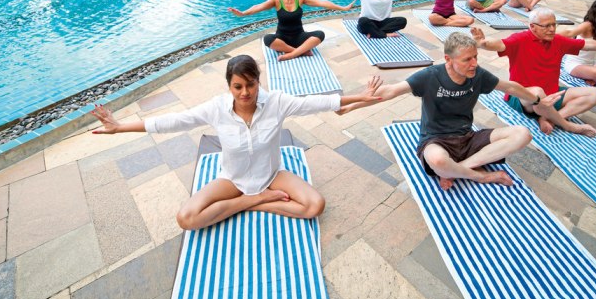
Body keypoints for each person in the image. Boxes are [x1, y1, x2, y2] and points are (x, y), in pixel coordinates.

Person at [91, 55, 380, 230]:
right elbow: (174, 121)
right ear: (229, 85)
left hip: (271, 176)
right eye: (237, 86)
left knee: (315, 205)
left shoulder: (277, 102)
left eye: (250, 85)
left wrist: (361, 96)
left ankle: (249, 204)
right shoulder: (216, 108)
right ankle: (252, 201)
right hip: (233, 179)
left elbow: (318, 102)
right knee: (186, 218)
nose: (245, 93)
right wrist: (120, 127)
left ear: (258, 82)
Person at [339, 32, 557, 190]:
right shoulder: (430, 76)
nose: (474, 63)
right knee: (438, 161)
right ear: (448, 60)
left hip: (467, 137)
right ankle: (479, 176)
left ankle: (459, 169)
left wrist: (539, 99)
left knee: (523, 134)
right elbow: (390, 91)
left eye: (475, 57)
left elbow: (510, 87)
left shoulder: (478, 75)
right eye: (467, 59)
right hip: (436, 140)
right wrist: (350, 105)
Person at [470, 7, 596, 137]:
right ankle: (568, 125)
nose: (552, 29)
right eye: (547, 26)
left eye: (554, 24)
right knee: (537, 92)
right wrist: (483, 43)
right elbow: (499, 44)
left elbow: (588, 44)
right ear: (532, 27)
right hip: (523, 97)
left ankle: (549, 118)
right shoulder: (520, 39)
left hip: (552, 94)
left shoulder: (558, 40)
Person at [229, 0, 355, 61]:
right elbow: (258, 6)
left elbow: (323, 2)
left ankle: (291, 54)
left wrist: (343, 8)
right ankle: (300, 51)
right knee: (267, 39)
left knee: (320, 34)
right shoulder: (276, 0)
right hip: (282, 38)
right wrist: (243, 13)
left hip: (299, 36)